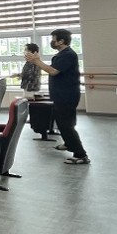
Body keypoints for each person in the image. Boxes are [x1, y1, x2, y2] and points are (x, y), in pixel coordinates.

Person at [25, 29, 89, 164]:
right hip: (62, 94)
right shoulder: (62, 55)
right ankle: (68, 143)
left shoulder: (68, 55)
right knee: (64, 122)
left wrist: (36, 61)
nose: (52, 42)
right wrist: (38, 61)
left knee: (66, 124)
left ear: (61, 41)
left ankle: (80, 154)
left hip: (66, 95)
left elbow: (53, 71)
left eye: (54, 39)